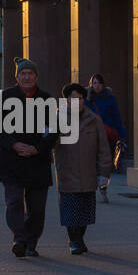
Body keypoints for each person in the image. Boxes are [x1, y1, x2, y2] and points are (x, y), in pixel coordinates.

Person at [0, 58, 58, 258]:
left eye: (30, 73)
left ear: (36, 77)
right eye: (23, 74)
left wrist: (37, 149)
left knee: (37, 208)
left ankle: (31, 242)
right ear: (17, 77)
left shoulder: (46, 99)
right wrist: (14, 144)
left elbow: (54, 131)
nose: (27, 77)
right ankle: (19, 239)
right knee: (14, 202)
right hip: (12, 160)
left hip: (37, 161)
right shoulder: (6, 97)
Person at [53, 82, 112, 255]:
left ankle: (80, 239)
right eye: (72, 99)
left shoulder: (94, 120)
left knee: (85, 210)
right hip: (67, 170)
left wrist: (104, 173)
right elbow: (50, 142)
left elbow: (103, 149)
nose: (76, 102)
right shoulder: (58, 118)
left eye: (79, 98)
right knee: (70, 209)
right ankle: (74, 241)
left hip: (88, 172)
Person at [86, 73, 127, 202]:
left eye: (98, 83)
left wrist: (121, 134)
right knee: (91, 163)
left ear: (103, 84)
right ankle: (92, 189)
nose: (96, 86)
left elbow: (116, 117)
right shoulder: (88, 99)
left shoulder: (110, 98)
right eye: (94, 83)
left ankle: (103, 189)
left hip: (107, 134)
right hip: (91, 135)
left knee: (105, 164)